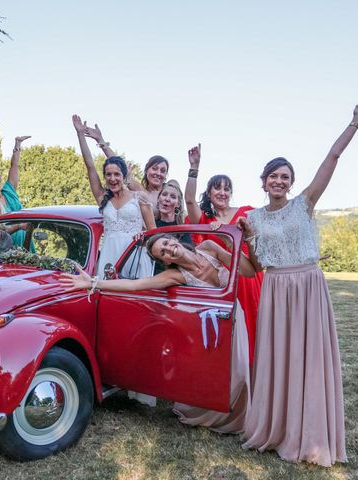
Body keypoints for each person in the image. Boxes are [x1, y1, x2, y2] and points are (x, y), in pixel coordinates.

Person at [237, 96, 358, 466]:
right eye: (274, 176)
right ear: (264, 182)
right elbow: (254, 266)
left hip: (307, 286)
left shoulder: (305, 204)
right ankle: (277, 427)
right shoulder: (251, 218)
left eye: (286, 176)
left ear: (292, 182)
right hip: (275, 289)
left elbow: (331, 159)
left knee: (310, 360)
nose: (280, 181)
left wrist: (355, 122)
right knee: (278, 360)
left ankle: (311, 434)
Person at [60, 233, 257, 432]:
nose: (169, 249)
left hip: (233, 313)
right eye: (163, 253)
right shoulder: (175, 276)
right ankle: (221, 414)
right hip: (207, 320)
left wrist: (232, 245)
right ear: (165, 261)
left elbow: (249, 272)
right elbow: (135, 285)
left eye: (166, 243)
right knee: (224, 369)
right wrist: (93, 283)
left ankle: (239, 411)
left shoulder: (209, 248)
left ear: (173, 239)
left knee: (239, 366)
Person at [185, 144, 264, 364]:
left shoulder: (246, 212)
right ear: (209, 194)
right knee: (230, 331)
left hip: (250, 280)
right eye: (217, 188)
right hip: (223, 282)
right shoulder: (204, 220)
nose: (222, 192)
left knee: (255, 325)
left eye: (226, 188)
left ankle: (257, 376)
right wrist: (194, 167)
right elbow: (189, 200)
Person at [72, 114, 155, 276]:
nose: (112, 179)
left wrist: (144, 238)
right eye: (108, 175)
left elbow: (153, 231)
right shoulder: (103, 197)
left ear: (124, 176)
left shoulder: (139, 198)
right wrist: (80, 134)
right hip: (109, 258)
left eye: (116, 174)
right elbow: (89, 165)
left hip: (135, 257)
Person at [82, 122, 169, 211]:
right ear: (146, 171)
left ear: (166, 175)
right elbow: (117, 164)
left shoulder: (170, 192)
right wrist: (100, 140)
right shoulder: (140, 191)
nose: (158, 173)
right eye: (154, 169)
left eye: (163, 171)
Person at [0, 135, 31, 247]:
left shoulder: (9, 191)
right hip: (7, 249)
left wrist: (17, 144)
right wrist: (18, 226)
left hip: (26, 241)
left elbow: (14, 166)